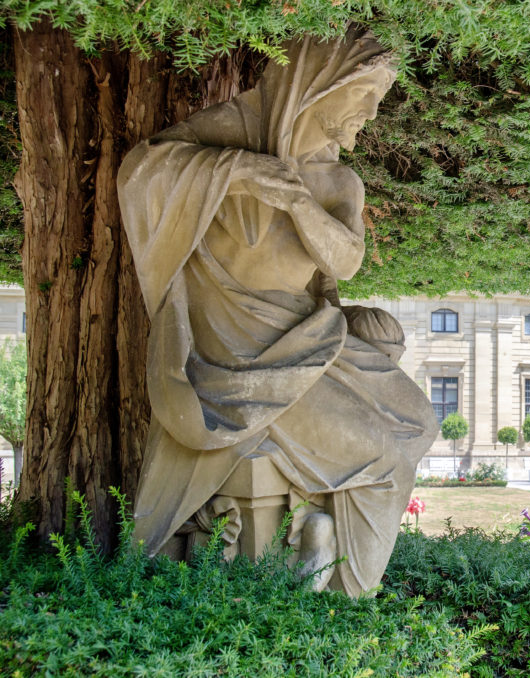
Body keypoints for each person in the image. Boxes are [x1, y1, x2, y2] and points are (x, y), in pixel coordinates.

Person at [119, 29, 438, 596]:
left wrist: (295, 199)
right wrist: (239, 172)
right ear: (319, 84)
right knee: (385, 455)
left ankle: (324, 539)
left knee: (418, 417)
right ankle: (347, 589)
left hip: (307, 341)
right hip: (236, 357)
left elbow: (347, 257)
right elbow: (143, 173)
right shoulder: (224, 136)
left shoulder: (339, 180)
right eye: (363, 95)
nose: (370, 112)